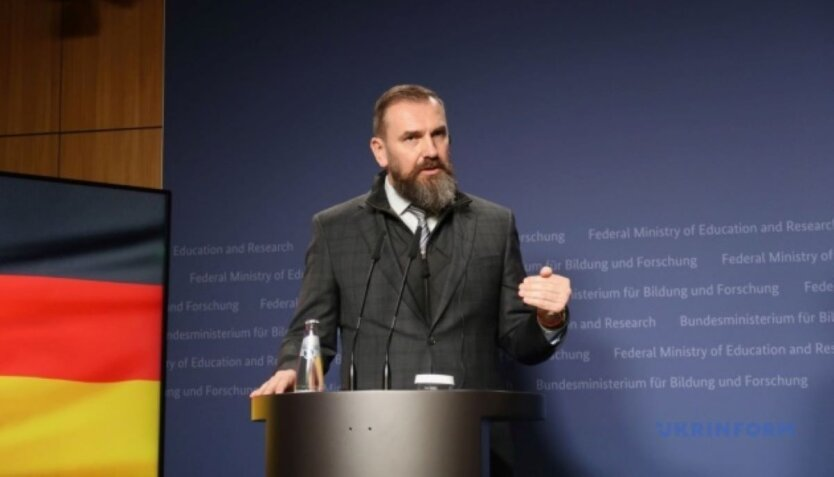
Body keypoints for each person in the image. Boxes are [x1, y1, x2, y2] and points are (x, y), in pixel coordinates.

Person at [252, 84, 571, 396]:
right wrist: (291, 368)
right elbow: (312, 332)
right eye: (412, 138)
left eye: (439, 134)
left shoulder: (494, 224)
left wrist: (549, 318)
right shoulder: (336, 228)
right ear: (380, 151)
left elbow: (520, 341)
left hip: (474, 433)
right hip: (374, 436)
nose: (431, 151)